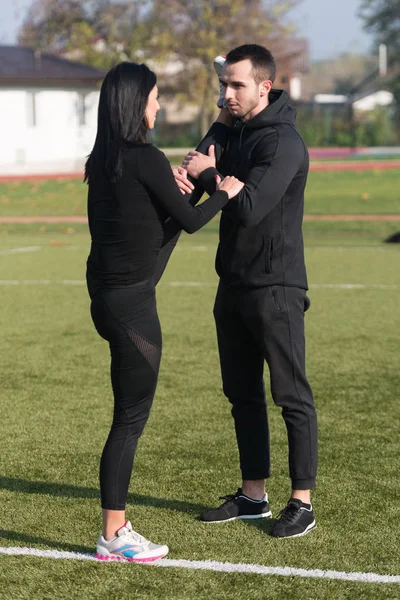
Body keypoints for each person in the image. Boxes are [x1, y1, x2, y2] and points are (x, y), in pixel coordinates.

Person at [85, 61, 244, 562]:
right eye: (155, 97)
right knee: (129, 419)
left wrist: (183, 190)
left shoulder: (103, 160)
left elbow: (152, 231)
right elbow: (193, 223)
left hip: (109, 301)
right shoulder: (146, 157)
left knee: (126, 416)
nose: (158, 105)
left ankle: (115, 530)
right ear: (138, 104)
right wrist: (222, 192)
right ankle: (114, 535)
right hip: (132, 310)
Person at [176, 44, 318, 538]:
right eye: (223, 84)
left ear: (264, 86)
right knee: (242, 394)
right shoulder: (228, 128)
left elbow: (251, 205)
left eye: (236, 85)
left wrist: (210, 176)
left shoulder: (282, 142)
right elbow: (202, 171)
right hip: (231, 282)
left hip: (275, 285)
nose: (226, 94)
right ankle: (253, 495)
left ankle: (302, 502)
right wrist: (190, 179)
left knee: (290, 394)